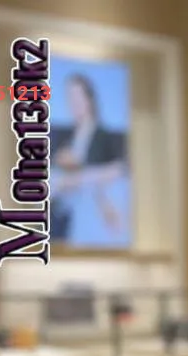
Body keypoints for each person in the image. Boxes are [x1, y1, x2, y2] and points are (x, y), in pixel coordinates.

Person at [51, 73, 129, 244]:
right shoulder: (67, 139)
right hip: (67, 212)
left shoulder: (103, 136)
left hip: (94, 215)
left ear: (89, 99)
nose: (73, 103)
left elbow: (118, 170)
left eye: (77, 96)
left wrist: (78, 177)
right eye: (70, 97)